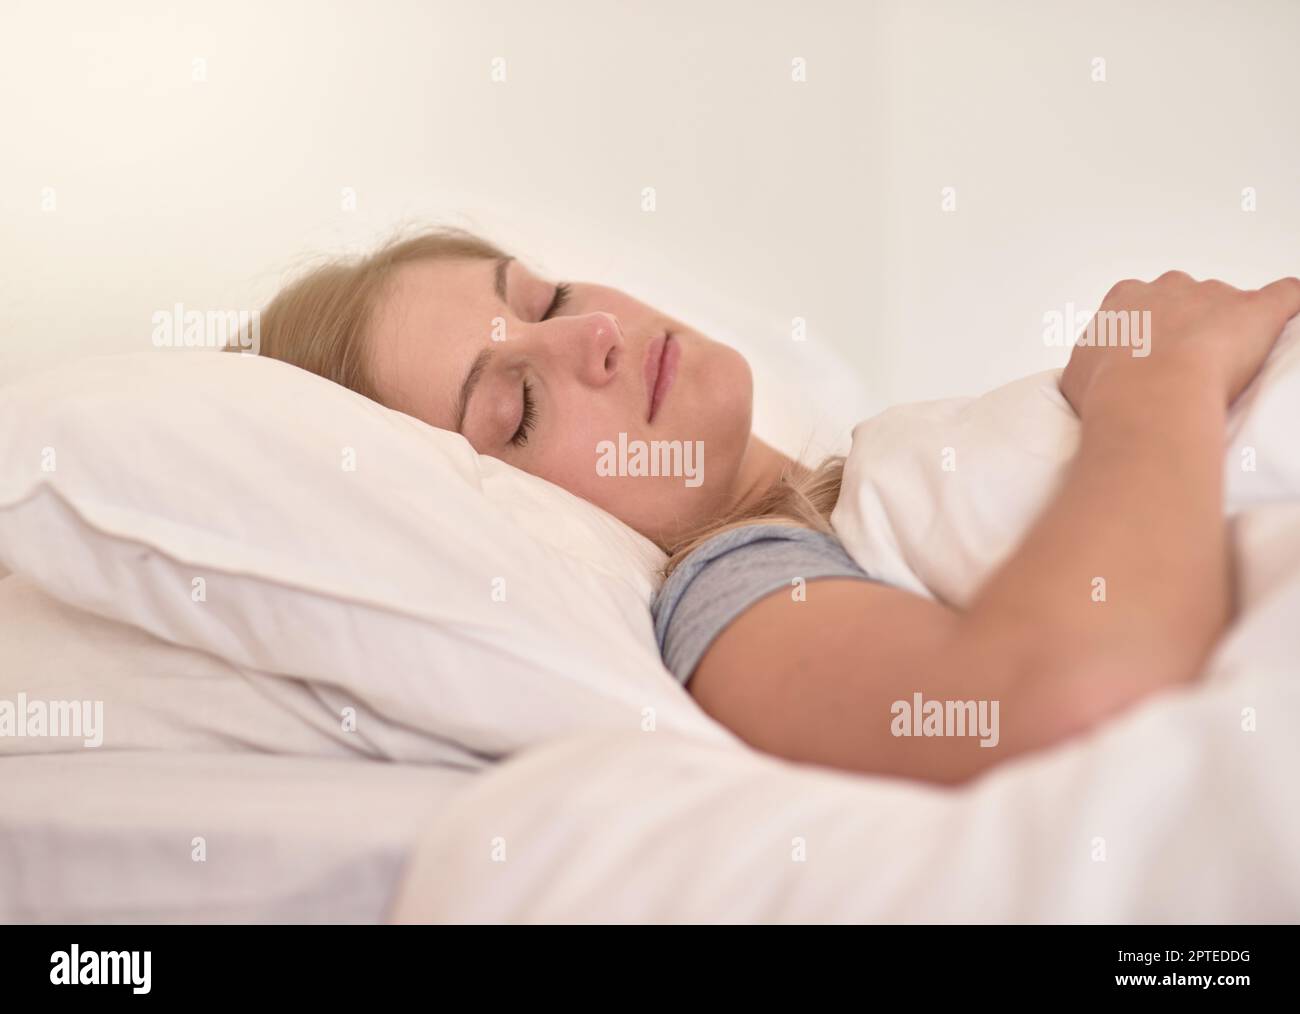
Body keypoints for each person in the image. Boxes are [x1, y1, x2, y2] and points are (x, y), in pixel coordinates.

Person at [244, 226, 1300, 785]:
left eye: (543, 300)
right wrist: (1166, 373)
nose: (590, 336)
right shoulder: (738, 594)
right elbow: (1049, 706)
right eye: (515, 405)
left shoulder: (879, 469)